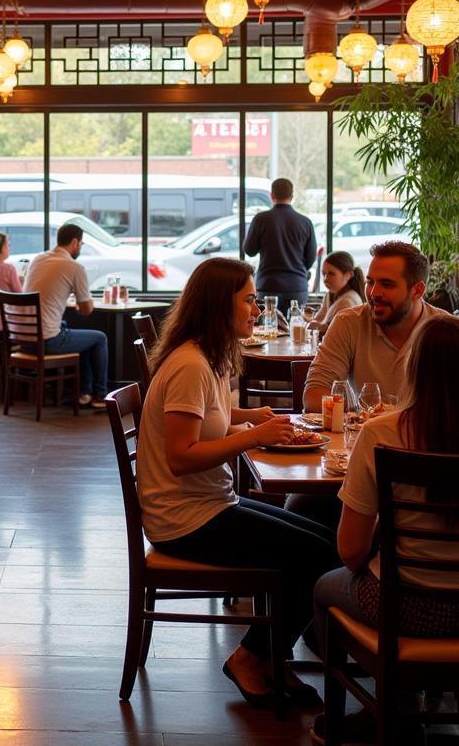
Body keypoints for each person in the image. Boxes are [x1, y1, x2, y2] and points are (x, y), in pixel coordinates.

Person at [135, 257, 340, 709]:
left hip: (207, 504)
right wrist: (254, 435)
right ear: (218, 306)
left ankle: (271, 656)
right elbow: (181, 457)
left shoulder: (202, 357)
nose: (256, 309)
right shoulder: (190, 365)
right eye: (248, 300)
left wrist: (252, 419)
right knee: (321, 555)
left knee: (324, 542)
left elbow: (211, 422)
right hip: (184, 519)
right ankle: (253, 658)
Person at [310, 314, 459, 745]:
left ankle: (374, 710)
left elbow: (351, 553)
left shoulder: (382, 433)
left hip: (404, 603)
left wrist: (383, 535)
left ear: (412, 366)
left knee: (324, 589)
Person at [303, 241, 448, 412]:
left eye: (387, 284)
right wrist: (360, 417)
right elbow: (313, 395)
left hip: (426, 438)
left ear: (417, 290)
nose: (373, 293)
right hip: (364, 436)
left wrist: (391, 422)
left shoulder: (446, 330)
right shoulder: (348, 323)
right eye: (370, 282)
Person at [23, 222, 108, 409]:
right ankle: (100, 395)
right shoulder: (74, 267)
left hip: (23, 341)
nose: (80, 248)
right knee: (99, 338)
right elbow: (87, 310)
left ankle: (84, 393)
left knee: (81, 337)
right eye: (82, 244)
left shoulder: (38, 259)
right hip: (46, 342)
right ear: (75, 242)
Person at [243, 177, 317, 316]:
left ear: (272, 195)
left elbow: (249, 250)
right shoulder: (305, 222)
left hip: (268, 285)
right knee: (295, 330)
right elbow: (310, 258)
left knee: (267, 330)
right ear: (292, 196)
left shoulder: (261, 220)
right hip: (296, 286)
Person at [307, 251, 364, 336]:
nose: (325, 279)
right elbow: (318, 321)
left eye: (331, 274)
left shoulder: (348, 301)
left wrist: (315, 325)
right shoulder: (330, 294)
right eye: (324, 274)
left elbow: (336, 334)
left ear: (348, 275)